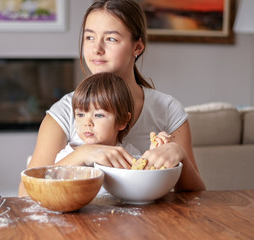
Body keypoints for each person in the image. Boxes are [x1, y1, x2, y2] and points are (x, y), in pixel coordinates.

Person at [18, 0, 205, 196]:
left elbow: (196, 194)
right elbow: (25, 194)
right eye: (89, 37)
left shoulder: (167, 109)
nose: (96, 48)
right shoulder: (64, 112)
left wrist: (180, 155)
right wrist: (82, 154)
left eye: (111, 39)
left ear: (138, 47)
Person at [55, 72, 141, 162]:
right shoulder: (68, 156)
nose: (87, 123)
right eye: (80, 115)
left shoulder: (130, 155)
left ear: (122, 120)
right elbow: (50, 175)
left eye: (99, 115)